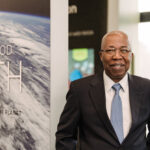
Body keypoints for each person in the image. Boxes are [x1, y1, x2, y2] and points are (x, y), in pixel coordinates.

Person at [56, 31, 150, 150]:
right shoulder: (80, 90)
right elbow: (65, 136)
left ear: (131, 55)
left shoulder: (146, 88)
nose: (117, 56)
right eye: (110, 50)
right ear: (101, 55)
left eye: (124, 50)